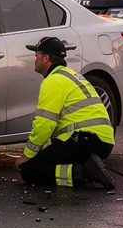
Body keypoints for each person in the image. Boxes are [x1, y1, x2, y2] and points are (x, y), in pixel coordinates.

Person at [15, 36, 115, 189]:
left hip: (86, 139)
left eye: (37, 55)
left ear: (46, 58)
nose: (35, 59)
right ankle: (85, 165)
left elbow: (44, 124)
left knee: (30, 171)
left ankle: (84, 171)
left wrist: (27, 155)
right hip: (101, 140)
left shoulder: (53, 81)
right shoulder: (69, 75)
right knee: (49, 160)